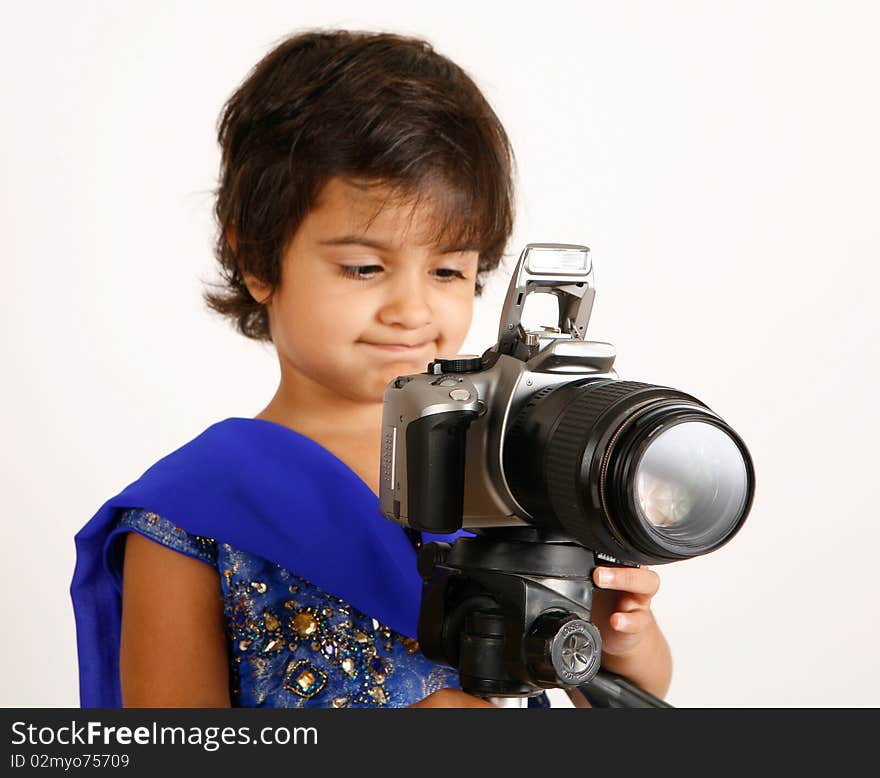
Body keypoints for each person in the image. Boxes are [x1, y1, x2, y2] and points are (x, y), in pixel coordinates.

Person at [70, 28, 672, 709]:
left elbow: (622, 705)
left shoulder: (508, 475)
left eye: (448, 269)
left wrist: (623, 648)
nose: (411, 309)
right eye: (364, 267)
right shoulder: (193, 506)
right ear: (259, 259)